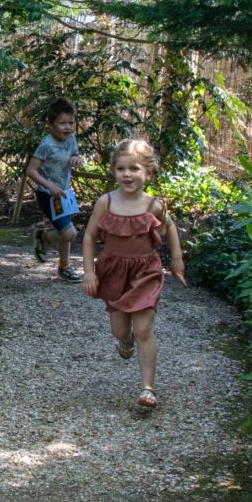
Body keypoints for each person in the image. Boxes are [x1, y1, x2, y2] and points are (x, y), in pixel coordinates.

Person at [80, 139, 187, 409]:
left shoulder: (154, 205)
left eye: (134, 169)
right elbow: (90, 236)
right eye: (121, 169)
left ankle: (148, 389)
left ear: (148, 173)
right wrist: (89, 273)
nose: (127, 174)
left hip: (145, 273)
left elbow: (171, 229)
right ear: (114, 171)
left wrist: (176, 261)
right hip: (114, 272)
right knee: (120, 330)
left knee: (144, 330)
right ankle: (124, 340)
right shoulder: (105, 202)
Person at [26, 97, 84, 283]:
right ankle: (43, 236)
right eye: (62, 123)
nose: (68, 127)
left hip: (65, 194)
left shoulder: (71, 139)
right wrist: (49, 186)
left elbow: (75, 154)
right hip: (48, 195)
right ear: (50, 124)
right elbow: (31, 170)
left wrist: (77, 159)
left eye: (71, 123)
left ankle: (64, 267)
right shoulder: (46, 145)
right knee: (69, 233)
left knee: (66, 229)